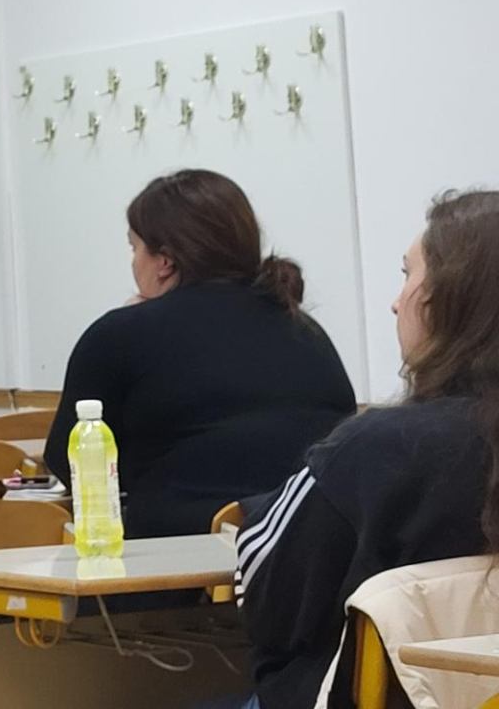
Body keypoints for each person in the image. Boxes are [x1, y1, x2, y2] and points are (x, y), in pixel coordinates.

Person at [234, 190, 499, 709]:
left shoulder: (378, 448)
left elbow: (268, 595)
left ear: (450, 300)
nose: (396, 302)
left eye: (407, 275)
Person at [44, 169, 356, 538]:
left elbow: (71, 463)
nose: (133, 262)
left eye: (134, 248)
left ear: (164, 261)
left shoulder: (120, 334)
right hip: (310, 546)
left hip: (176, 553)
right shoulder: (306, 331)